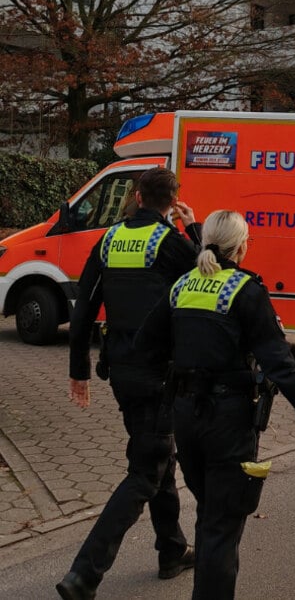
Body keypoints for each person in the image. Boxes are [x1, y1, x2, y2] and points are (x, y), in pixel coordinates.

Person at [135, 210, 295, 599]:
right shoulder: (246, 290)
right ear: (241, 246)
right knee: (223, 526)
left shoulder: (181, 286)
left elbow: (144, 346)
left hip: (186, 418)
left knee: (210, 514)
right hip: (228, 423)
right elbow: (279, 362)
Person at [58, 168, 200, 600]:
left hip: (120, 371)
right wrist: (191, 226)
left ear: (137, 196)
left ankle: (172, 550)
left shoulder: (110, 240)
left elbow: (83, 308)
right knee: (145, 470)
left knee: (158, 454)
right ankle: (84, 573)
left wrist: (78, 369)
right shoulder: (171, 243)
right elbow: (208, 276)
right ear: (171, 201)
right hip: (160, 374)